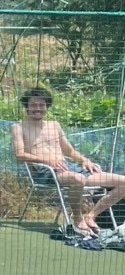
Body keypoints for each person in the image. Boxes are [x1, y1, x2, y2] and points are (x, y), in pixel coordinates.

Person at [12, 86, 125, 234]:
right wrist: (47, 161)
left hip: (69, 168)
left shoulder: (54, 125)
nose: (37, 109)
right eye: (33, 105)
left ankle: (91, 216)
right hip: (46, 172)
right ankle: (77, 218)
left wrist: (85, 160)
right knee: (78, 179)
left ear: (47, 107)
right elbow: (20, 155)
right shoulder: (19, 128)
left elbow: (70, 151)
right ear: (26, 107)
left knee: (123, 182)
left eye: (41, 105)